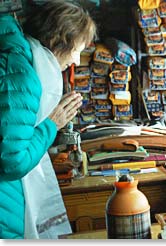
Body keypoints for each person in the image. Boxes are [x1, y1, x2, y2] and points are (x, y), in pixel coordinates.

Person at [0, 0, 96, 239]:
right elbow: (12, 161)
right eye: (77, 50)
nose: (75, 60)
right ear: (58, 40)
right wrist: (52, 123)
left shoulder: (17, 59)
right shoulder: (24, 78)